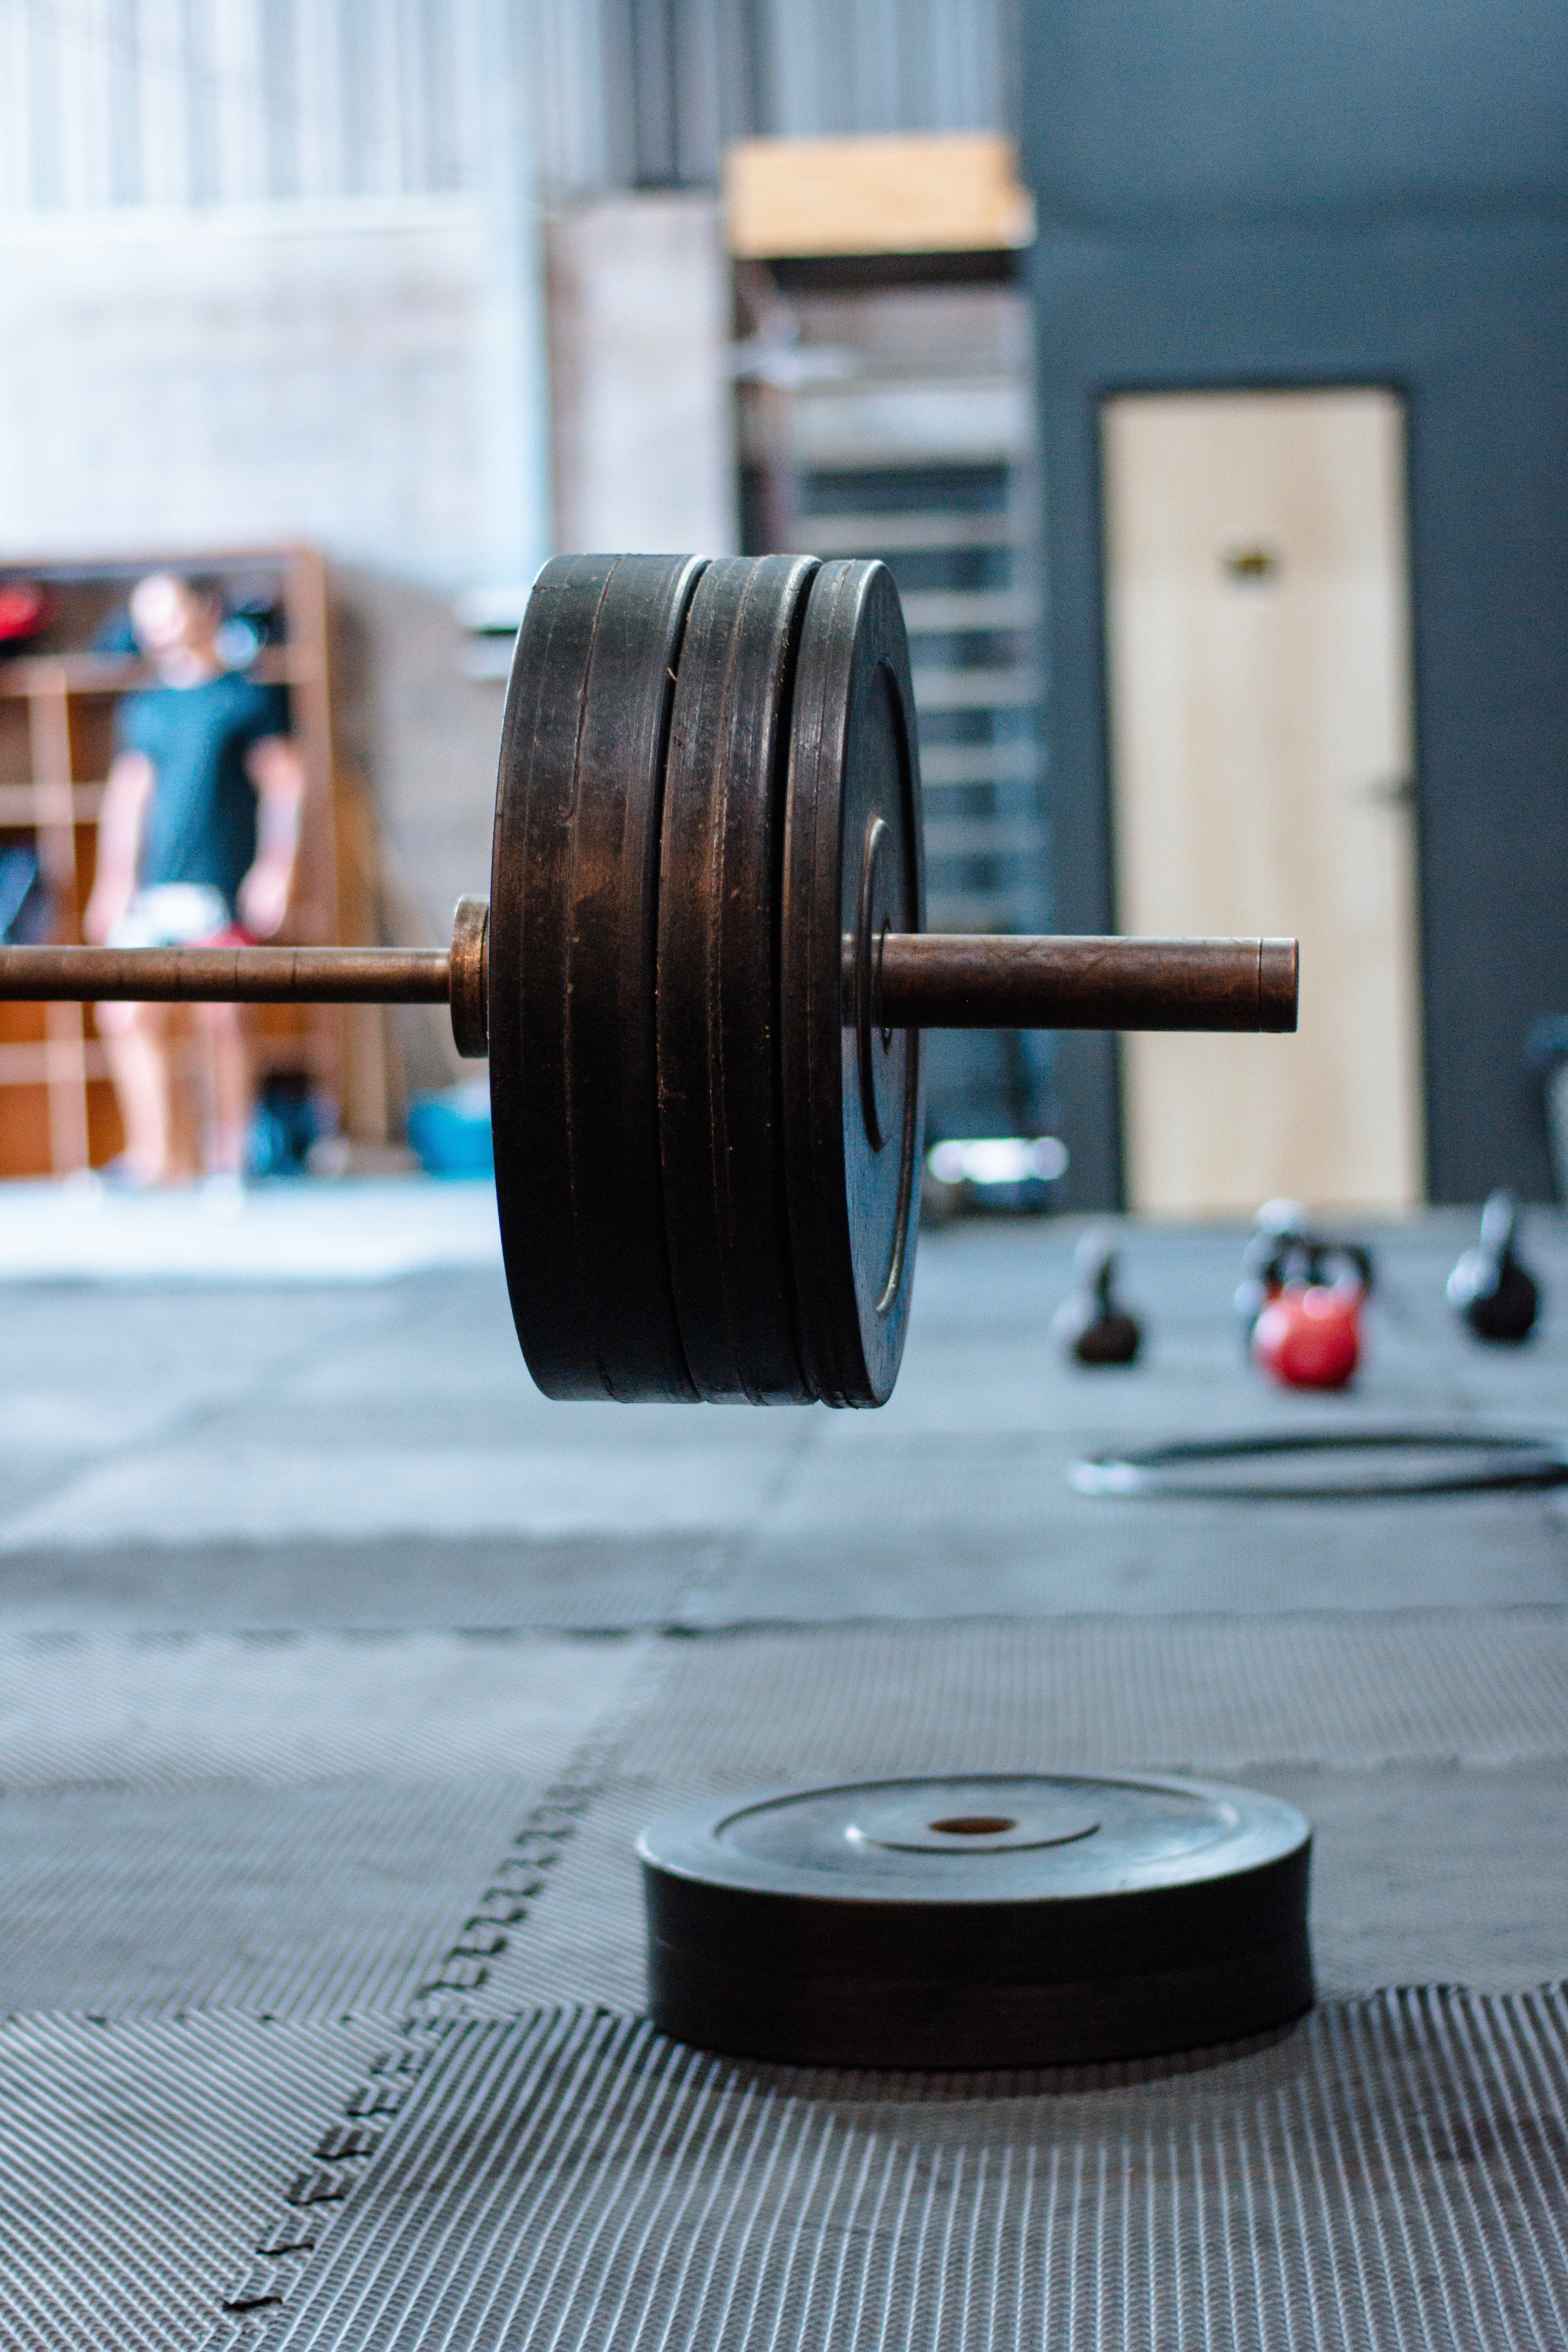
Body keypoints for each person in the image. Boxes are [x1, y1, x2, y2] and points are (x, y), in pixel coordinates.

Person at [83, 572, 304, 1183]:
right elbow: (129, 800)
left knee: (223, 1015)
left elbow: (285, 786)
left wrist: (276, 870)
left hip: (221, 887)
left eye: (170, 612)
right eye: (147, 617)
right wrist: (112, 883)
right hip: (158, 891)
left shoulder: (247, 698)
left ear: (204, 609)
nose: (159, 628)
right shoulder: (147, 705)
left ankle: (230, 1156)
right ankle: (159, 1159)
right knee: (126, 1015)